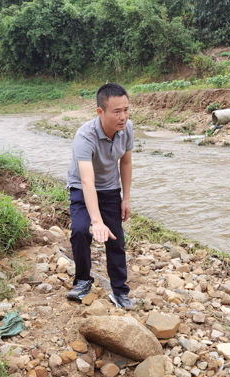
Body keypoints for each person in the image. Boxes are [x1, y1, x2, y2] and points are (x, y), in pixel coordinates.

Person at [66, 83, 134, 309]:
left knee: (116, 239)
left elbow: (126, 161)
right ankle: (83, 280)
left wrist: (125, 198)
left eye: (126, 109)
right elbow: (87, 180)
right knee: (80, 231)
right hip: (81, 186)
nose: (123, 116)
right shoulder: (84, 136)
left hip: (110, 187)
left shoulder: (127, 129)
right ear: (100, 112)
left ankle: (119, 291)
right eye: (117, 111)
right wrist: (96, 221)